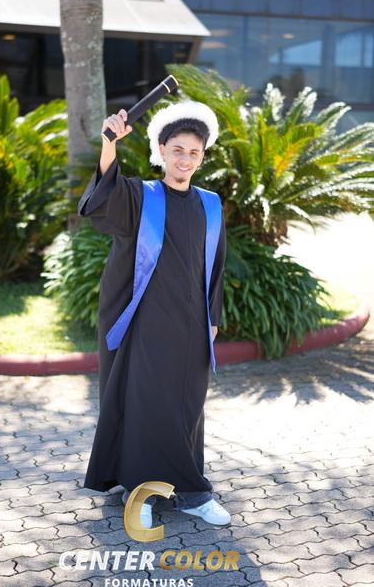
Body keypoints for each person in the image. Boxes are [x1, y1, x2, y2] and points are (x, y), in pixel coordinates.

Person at [77, 99, 231, 529]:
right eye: (177, 149)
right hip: (145, 321)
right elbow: (103, 198)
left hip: (193, 325)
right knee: (146, 405)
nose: (185, 159)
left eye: (194, 152)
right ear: (161, 150)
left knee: (188, 408)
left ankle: (192, 491)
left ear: (202, 157)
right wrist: (109, 143)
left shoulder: (210, 204)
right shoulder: (142, 196)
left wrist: (213, 318)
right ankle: (141, 489)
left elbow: (216, 266)